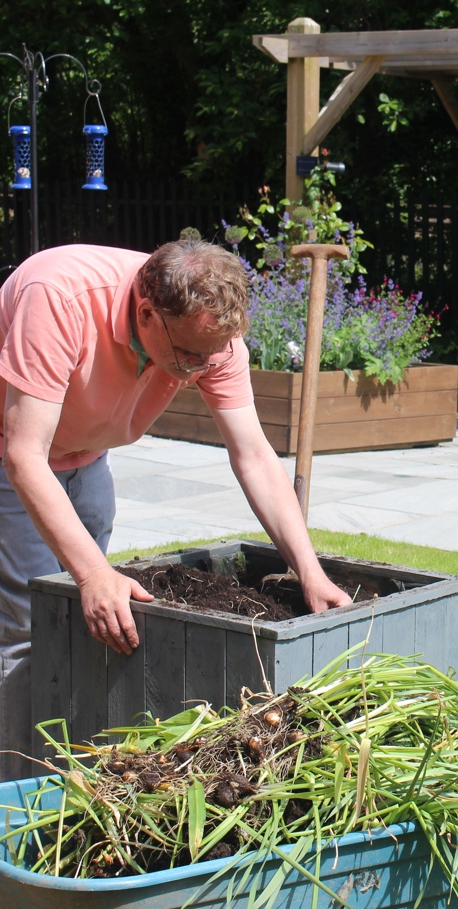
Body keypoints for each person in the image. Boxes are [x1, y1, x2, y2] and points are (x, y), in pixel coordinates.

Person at [0, 240, 353, 781]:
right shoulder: (59, 297)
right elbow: (23, 454)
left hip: (85, 457)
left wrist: (310, 570)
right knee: (28, 632)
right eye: (188, 357)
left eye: (211, 357)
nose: (199, 372)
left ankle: (68, 774)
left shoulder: (207, 336)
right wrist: (94, 573)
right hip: (11, 456)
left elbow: (255, 456)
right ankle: (17, 810)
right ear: (146, 313)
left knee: (80, 623)